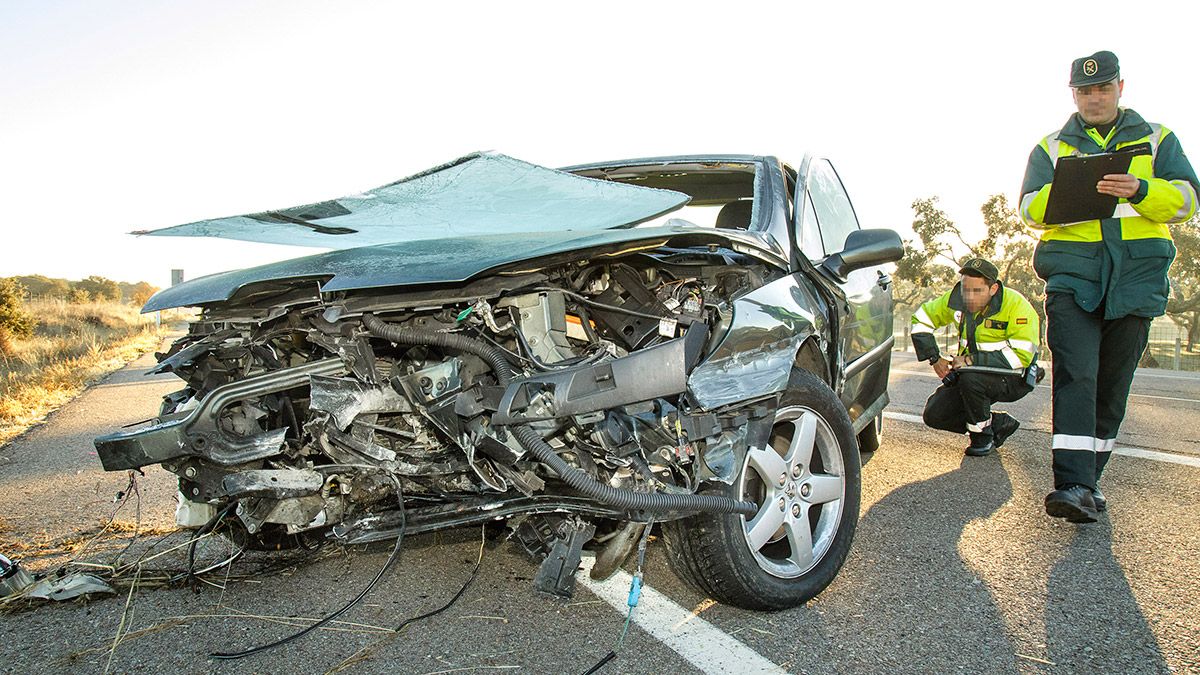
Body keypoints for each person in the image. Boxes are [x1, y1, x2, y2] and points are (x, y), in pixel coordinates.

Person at [1019, 50, 1199, 523]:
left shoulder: (1158, 140)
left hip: (1136, 280)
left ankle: (1089, 480)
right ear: (1073, 94)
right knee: (1077, 375)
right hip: (1073, 277)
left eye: (1103, 88)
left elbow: (1187, 200)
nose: (1094, 98)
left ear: (1121, 88)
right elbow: (1027, 209)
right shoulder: (1051, 147)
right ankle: (1071, 483)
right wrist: (1069, 195)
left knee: (1112, 387)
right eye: (1084, 90)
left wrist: (1141, 191)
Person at [910, 258, 1041, 457]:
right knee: (934, 415)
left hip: (1012, 377)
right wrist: (934, 358)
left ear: (993, 289)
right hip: (969, 374)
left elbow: (1020, 356)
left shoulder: (1016, 306)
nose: (969, 297)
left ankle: (983, 439)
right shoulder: (956, 300)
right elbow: (921, 319)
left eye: (977, 291)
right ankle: (997, 423)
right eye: (965, 289)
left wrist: (970, 361)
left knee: (972, 379)